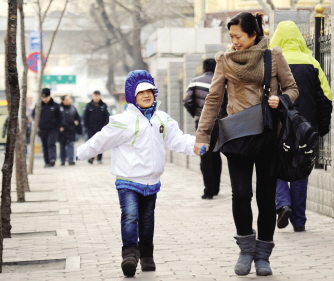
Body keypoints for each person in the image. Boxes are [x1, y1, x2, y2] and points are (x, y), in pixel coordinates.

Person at [193, 12, 298, 276]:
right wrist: (202, 136)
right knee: (241, 194)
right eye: (231, 36)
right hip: (236, 137)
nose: (233, 41)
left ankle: (263, 256)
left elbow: (293, 89)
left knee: (265, 198)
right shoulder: (225, 60)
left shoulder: (273, 56)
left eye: (238, 36)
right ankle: (245, 249)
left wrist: (281, 100)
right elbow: (213, 100)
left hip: (267, 137)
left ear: (253, 35)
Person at [76, 70, 196, 277]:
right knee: (130, 216)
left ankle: (147, 256)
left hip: (152, 181)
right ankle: (130, 255)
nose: (147, 95)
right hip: (128, 180)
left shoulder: (162, 119)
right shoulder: (123, 121)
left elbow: (177, 139)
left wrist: (196, 146)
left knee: (147, 220)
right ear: (133, 96)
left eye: (150, 91)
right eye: (141, 93)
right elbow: (100, 140)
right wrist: (82, 152)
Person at [269, 21, 333, 232]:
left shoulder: (271, 60)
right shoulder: (312, 62)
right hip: (305, 127)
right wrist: (321, 127)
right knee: (300, 170)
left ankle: (283, 204)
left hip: (278, 125)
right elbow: (325, 97)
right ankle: (299, 220)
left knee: (276, 166)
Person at [183, 58, 228, 199]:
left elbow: (187, 101)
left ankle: (208, 191)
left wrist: (196, 114)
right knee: (217, 155)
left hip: (203, 124)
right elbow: (228, 101)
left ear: (203, 69)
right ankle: (216, 189)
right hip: (220, 124)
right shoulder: (223, 81)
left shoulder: (195, 81)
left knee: (206, 156)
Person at [32, 88, 64, 168]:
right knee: (45, 146)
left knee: (51, 144)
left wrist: (61, 125)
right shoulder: (38, 105)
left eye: (46, 97)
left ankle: (52, 159)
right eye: (43, 98)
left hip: (53, 129)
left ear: (49, 96)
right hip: (42, 128)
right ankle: (46, 162)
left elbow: (61, 116)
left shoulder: (56, 105)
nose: (45, 99)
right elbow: (33, 115)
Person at [83, 90, 109, 164]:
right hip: (90, 128)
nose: (96, 98)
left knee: (100, 144)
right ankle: (91, 158)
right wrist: (86, 126)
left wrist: (105, 127)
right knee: (91, 144)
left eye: (97, 96)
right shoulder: (88, 105)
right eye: (94, 96)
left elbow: (107, 117)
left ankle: (99, 159)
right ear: (92, 96)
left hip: (101, 129)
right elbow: (85, 117)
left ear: (100, 96)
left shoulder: (104, 105)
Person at [59, 95, 82, 166]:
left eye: (70, 99)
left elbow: (77, 119)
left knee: (71, 144)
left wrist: (78, 128)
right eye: (68, 99)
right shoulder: (59, 108)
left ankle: (70, 160)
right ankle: (62, 160)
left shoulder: (73, 108)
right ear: (63, 100)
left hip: (71, 129)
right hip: (61, 130)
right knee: (62, 145)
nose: (69, 101)